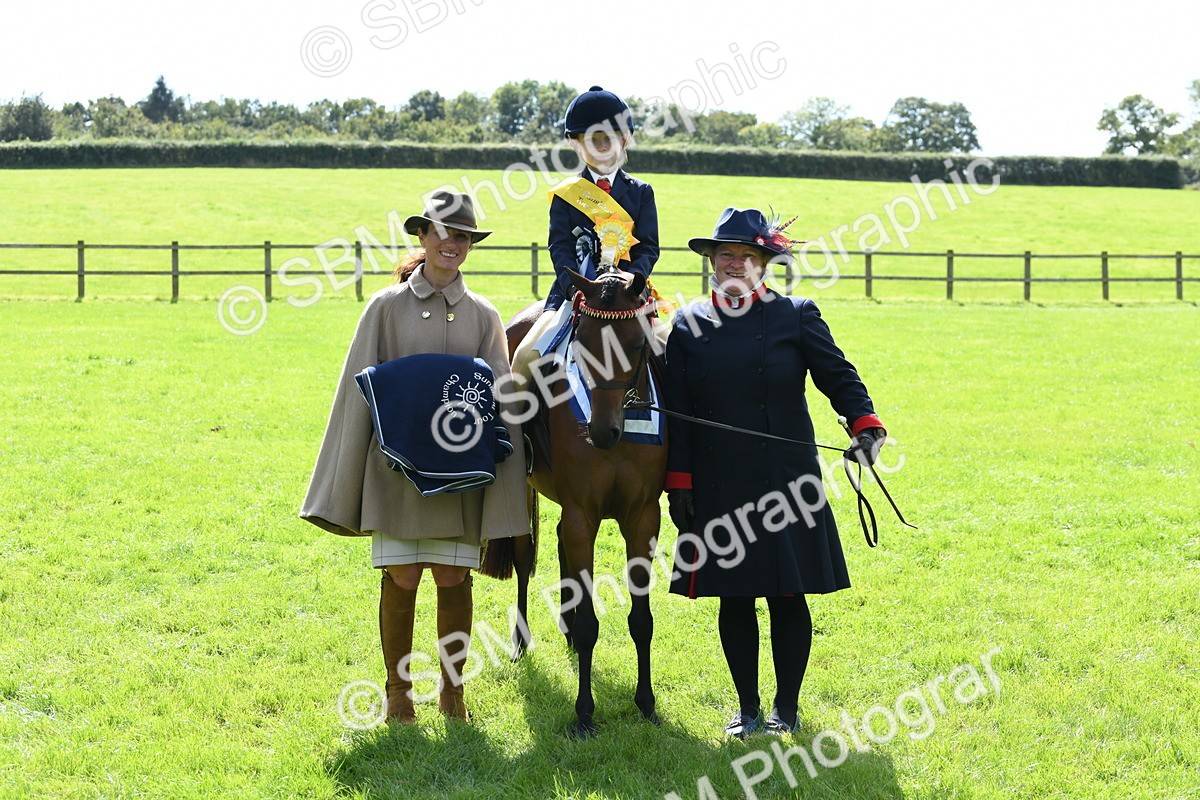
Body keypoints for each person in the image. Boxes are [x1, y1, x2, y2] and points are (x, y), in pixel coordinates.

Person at [300, 190, 529, 724]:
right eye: (442, 233)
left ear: (470, 245)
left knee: (453, 579)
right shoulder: (384, 308)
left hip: (458, 475)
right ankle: (398, 694)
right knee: (401, 576)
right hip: (396, 472)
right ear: (422, 237)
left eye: (462, 236)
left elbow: (499, 392)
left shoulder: (484, 314)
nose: (451, 244)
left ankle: (453, 694)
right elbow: (359, 393)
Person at [663, 207, 887, 738]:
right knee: (735, 598)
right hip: (717, 481)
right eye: (725, 256)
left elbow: (839, 375)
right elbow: (675, 408)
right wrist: (679, 483)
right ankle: (747, 710)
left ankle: (786, 710)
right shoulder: (688, 325)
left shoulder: (796, 315)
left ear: (764, 263)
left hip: (787, 481)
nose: (735, 265)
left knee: (788, 596)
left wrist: (865, 424)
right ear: (712, 264)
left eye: (746, 256)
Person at [511, 85, 661, 390]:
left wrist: (631, 284)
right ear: (576, 143)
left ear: (624, 139)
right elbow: (560, 246)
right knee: (523, 361)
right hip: (574, 295)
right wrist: (572, 290)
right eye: (593, 139)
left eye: (609, 137)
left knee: (670, 351)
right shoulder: (566, 195)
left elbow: (649, 247)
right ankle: (513, 436)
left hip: (630, 296)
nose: (602, 145)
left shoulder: (641, 192)